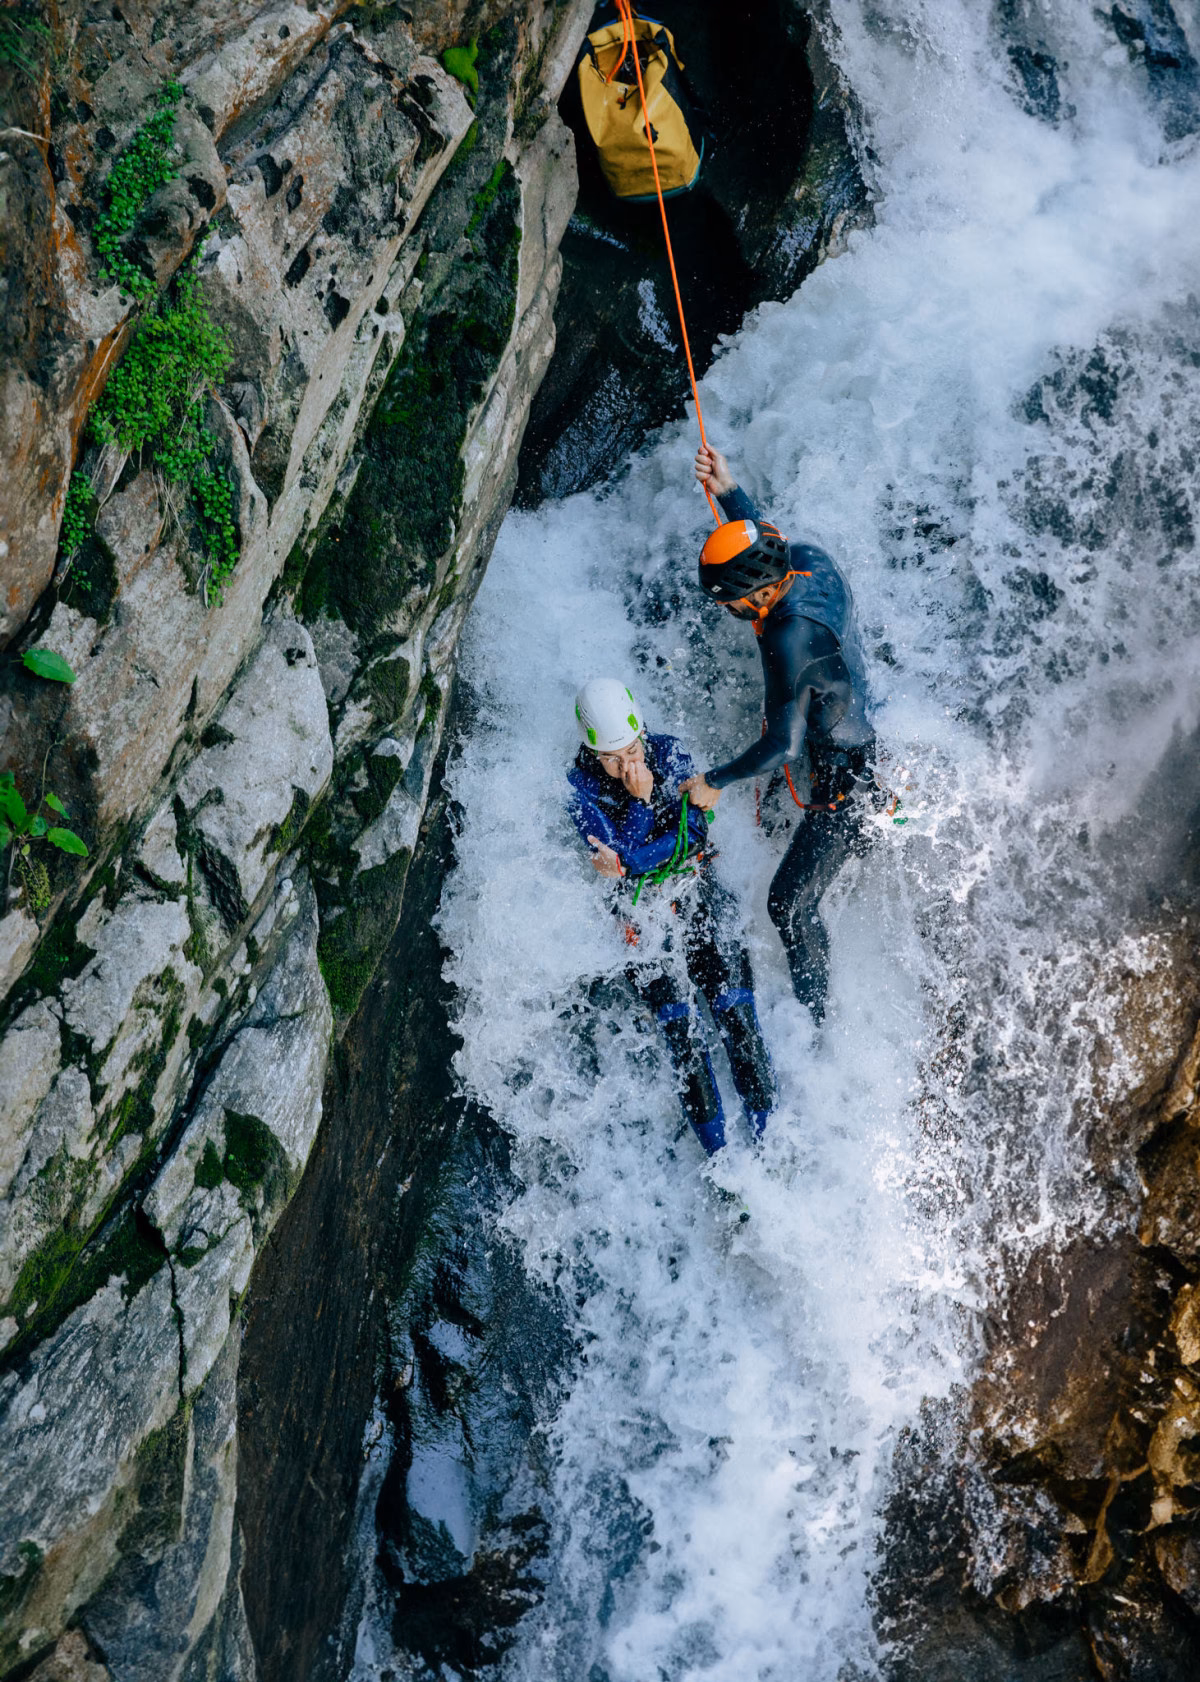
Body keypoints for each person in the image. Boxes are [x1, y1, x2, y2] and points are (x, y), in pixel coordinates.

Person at [681, 444, 876, 1020]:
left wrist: (715, 780)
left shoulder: (788, 640)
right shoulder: (806, 557)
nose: (732, 612)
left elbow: (783, 746)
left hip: (852, 776)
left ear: (762, 592)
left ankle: (820, 1022)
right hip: (854, 707)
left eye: (735, 603)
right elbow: (762, 537)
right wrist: (729, 492)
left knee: (788, 906)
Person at [567, 677, 775, 1156]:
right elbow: (611, 855)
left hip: (698, 887)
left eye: (632, 751)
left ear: (643, 733)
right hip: (641, 914)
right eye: (612, 759)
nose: (628, 766)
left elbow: (694, 832)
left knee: (736, 1013)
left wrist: (631, 861)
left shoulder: (667, 753)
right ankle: (721, 1160)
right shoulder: (580, 790)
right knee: (681, 1032)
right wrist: (641, 804)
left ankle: (771, 1146)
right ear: (591, 751)